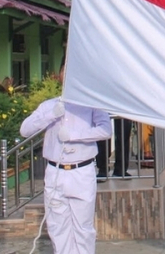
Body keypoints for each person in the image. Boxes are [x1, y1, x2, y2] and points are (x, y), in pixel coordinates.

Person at [20, 67, 112, 254]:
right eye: (65, 71)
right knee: (57, 226)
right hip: (55, 171)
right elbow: (25, 130)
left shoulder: (91, 105)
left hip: (81, 171)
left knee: (83, 228)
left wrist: (74, 135)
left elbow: (105, 130)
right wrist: (51, 115)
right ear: (60, 76)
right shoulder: (49, 105)